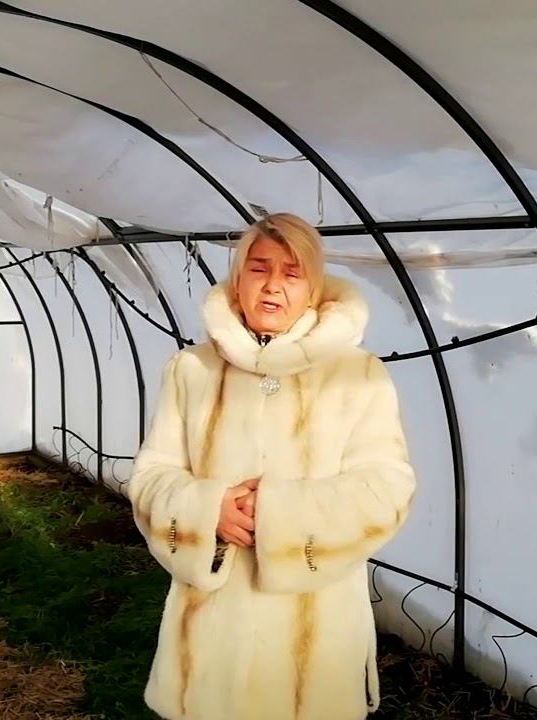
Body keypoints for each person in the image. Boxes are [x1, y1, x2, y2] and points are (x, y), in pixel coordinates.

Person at [126, 213, 417, 720]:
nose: (273, 286)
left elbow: (387, 486)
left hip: (316, 626)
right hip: (211, 625)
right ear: (238, 281)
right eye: (259, 269)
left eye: (292, 273)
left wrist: (282, 515)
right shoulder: (192, 370)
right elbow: (152, 474)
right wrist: (207, 511)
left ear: (313, 288)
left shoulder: (358, 375)